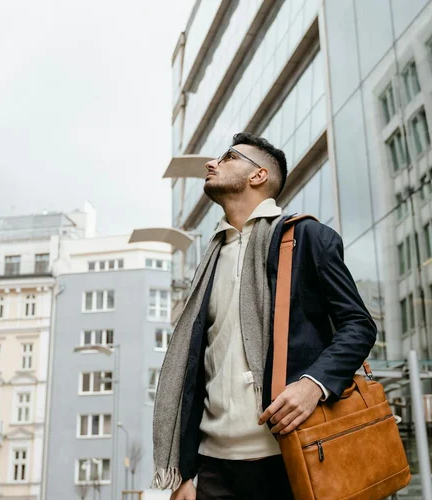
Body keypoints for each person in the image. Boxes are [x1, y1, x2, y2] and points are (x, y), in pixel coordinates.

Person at [151, 133, 378, 500]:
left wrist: (312, 385)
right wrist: (186, 474)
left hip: (291, 455)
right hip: (214, 467)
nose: (211, 164)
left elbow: (359, 325)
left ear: (258, 175)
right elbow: (197, 367)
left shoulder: (307, 237)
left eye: (227, 157)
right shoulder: (209, 262)